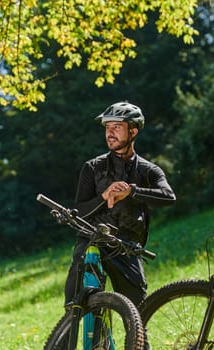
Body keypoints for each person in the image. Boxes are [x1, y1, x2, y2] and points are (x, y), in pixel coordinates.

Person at [64, 101, 176, 309]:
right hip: (91, 241)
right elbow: (79, 211)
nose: (110, 133)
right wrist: (103, 196)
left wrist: (132, 191)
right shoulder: (92, 168)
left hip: (126, 246)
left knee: (138, 314)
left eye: (116, 127)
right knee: (74, 309)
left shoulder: (148, 170)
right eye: (107, 128)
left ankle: (137, 341)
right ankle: (64, 341)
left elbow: (169, 196)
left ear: (133, 131)